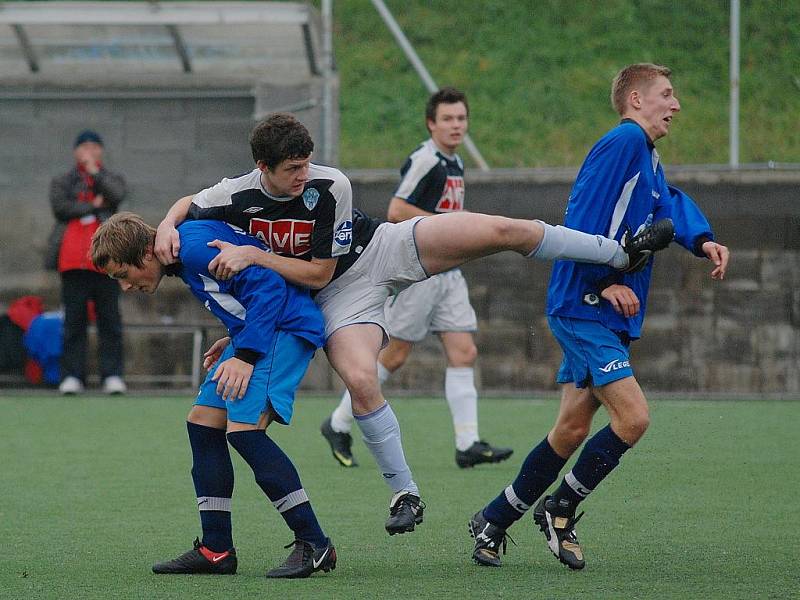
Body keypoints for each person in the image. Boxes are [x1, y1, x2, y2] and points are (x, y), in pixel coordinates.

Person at [154, 113, 672, 536]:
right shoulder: (237, 192)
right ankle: (406, 493)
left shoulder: (330, 184)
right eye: (291, 169)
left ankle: (619, 253)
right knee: (361, 378)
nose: (303, 175)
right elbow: (190, 205)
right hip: (337, 301)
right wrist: (165, 227)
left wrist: (254, 256)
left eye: (306, 163)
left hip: (380, 250)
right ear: (261, 168)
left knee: (500, 229)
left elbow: (317, 267)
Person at [469, 63, 730, 570]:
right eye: (667, 95)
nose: (675, 106)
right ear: (635, 98)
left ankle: (493, 519)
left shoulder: (646, 155)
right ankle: (560, 509)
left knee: (569, 430)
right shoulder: (624, 142)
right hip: (585, 304)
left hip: (599, 310)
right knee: (633, 418)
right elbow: (584, 216)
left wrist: (702, 239)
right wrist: (604, 280)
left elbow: (668, 204)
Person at [90, 212, 337, 578]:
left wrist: (246, 355)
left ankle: (315, 543)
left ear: (145, 254)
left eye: (123, 276)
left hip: (284, 330)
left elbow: (267, 285)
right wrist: (236, 337)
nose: (126, 287)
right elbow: (244, 289)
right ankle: (216, 549)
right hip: (257, 332)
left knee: (245, 432)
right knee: (203, 424)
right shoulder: (184, 249)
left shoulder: (190, 250)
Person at [322, 88, 512, 470]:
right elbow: (396, 209)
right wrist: (444, 230)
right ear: (432, 123)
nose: (456, 125)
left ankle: (468, 443)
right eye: (448, 119)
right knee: (395, 354)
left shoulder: (454, 162)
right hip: (421, 269)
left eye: (461, 118)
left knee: (464, 352)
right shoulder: (426, 160)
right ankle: (338, 423)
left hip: (450, 272)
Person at [47, 129, 127, 395]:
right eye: (84, 147)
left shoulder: (110, 177)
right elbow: (61, 207)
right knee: (73, 322)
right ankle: (72, 376)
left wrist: (95, 173)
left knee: (110, 320)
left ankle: (112, 375)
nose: (89, 152)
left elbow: (116, 196)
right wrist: (93, 205)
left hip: (107, 262)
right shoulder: (63, 180)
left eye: (95, 146)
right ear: (75, 151)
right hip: (72, 262)